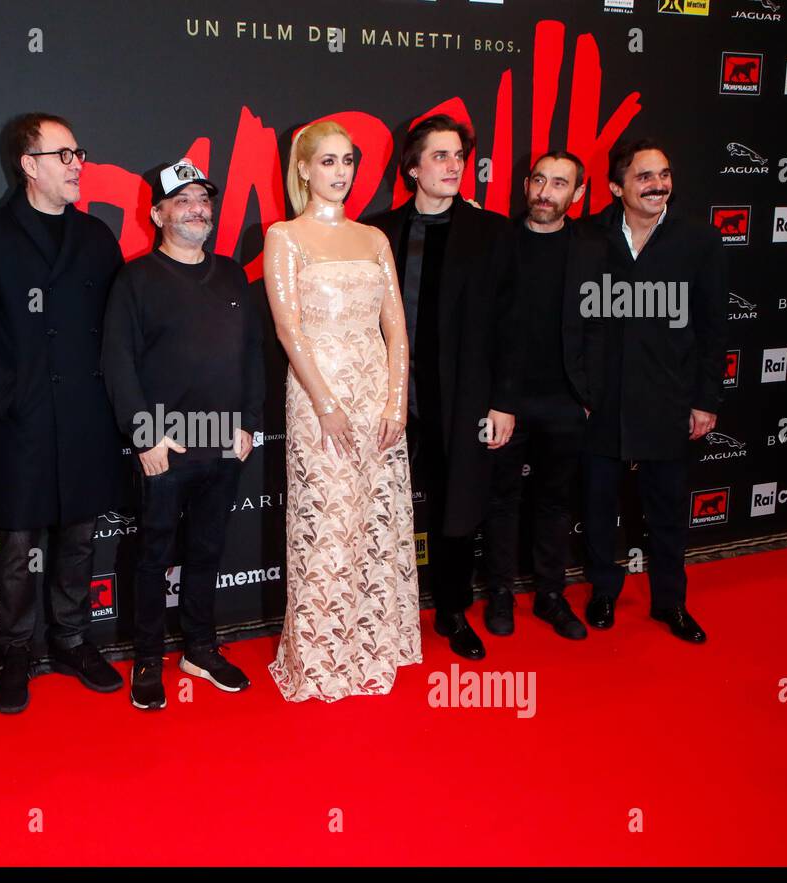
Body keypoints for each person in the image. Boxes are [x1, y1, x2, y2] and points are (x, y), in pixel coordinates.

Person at [0, 113, 125, 714]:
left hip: (83, 418)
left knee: (79, 539)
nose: (78, 164)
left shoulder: (98, 238)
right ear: (29, 165)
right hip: (19, 424)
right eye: (64, 155)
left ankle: (73, 639)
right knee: (17, 548)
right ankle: (16, 650)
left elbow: (118, 331)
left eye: (80, 152)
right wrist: (9, 398)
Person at [265, 121, 421, 703]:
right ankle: (320, 654)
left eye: (347, 161)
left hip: (376, 395)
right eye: (327, 161)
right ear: (303, 169)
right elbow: (289, 328)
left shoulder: (373, 239)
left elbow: (397, 331)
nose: (340, 172)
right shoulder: (285, 236)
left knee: (373, 519)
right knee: (326, 523)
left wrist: (395, 399)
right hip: (316, 396)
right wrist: (326, 404)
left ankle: (373, 643)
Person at [101, 159, 264, 710]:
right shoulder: (136, 279)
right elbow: (117, 361)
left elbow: (250, 355)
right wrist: (145, 436)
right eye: (184, 200)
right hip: (166, 443)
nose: (198, 208)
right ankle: (147, 655)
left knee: (208, 549)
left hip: (223, 439)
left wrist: (248, 424)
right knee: (152, 554)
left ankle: (200, 646)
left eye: (204, 199)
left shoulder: (232, 274)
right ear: (158, 213)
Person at [366, 114, 519, 661]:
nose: (454, 166)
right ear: (412, 168)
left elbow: (510, 324)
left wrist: (503, 401)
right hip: (389, 401)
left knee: (457, 510)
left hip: (463, 400)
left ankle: (452, 611)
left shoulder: (491, 232)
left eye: (459, 156)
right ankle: (381, 611)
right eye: (440, 156)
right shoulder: (378, 231)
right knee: (382, 508)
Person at [581, 139, 727, 643]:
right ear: (616, 186)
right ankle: (603, 591)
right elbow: (572, 322)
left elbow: (713, 328)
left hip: (669, 399)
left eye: (663, 174)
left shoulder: (698, 241)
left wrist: (706, 399)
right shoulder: (587, 237)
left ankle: (670, 602)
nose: (658, 185)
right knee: (599, 508)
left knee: (667, 512)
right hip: (601, 401)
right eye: (644, 176)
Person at [482, 151, 604, 641]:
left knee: (555, 503)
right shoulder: (498, 243)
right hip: (504, 402)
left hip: (566, 403)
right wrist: (496, 399)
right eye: (538, 180)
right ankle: (499, 594)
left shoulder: (593, 249)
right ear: (526, 185)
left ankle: (551, 595)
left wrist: (588, 394)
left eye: (559, 184)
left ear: (576, 195)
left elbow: (604, 326)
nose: (545, 192)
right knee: (501, 501)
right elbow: (482, 328)